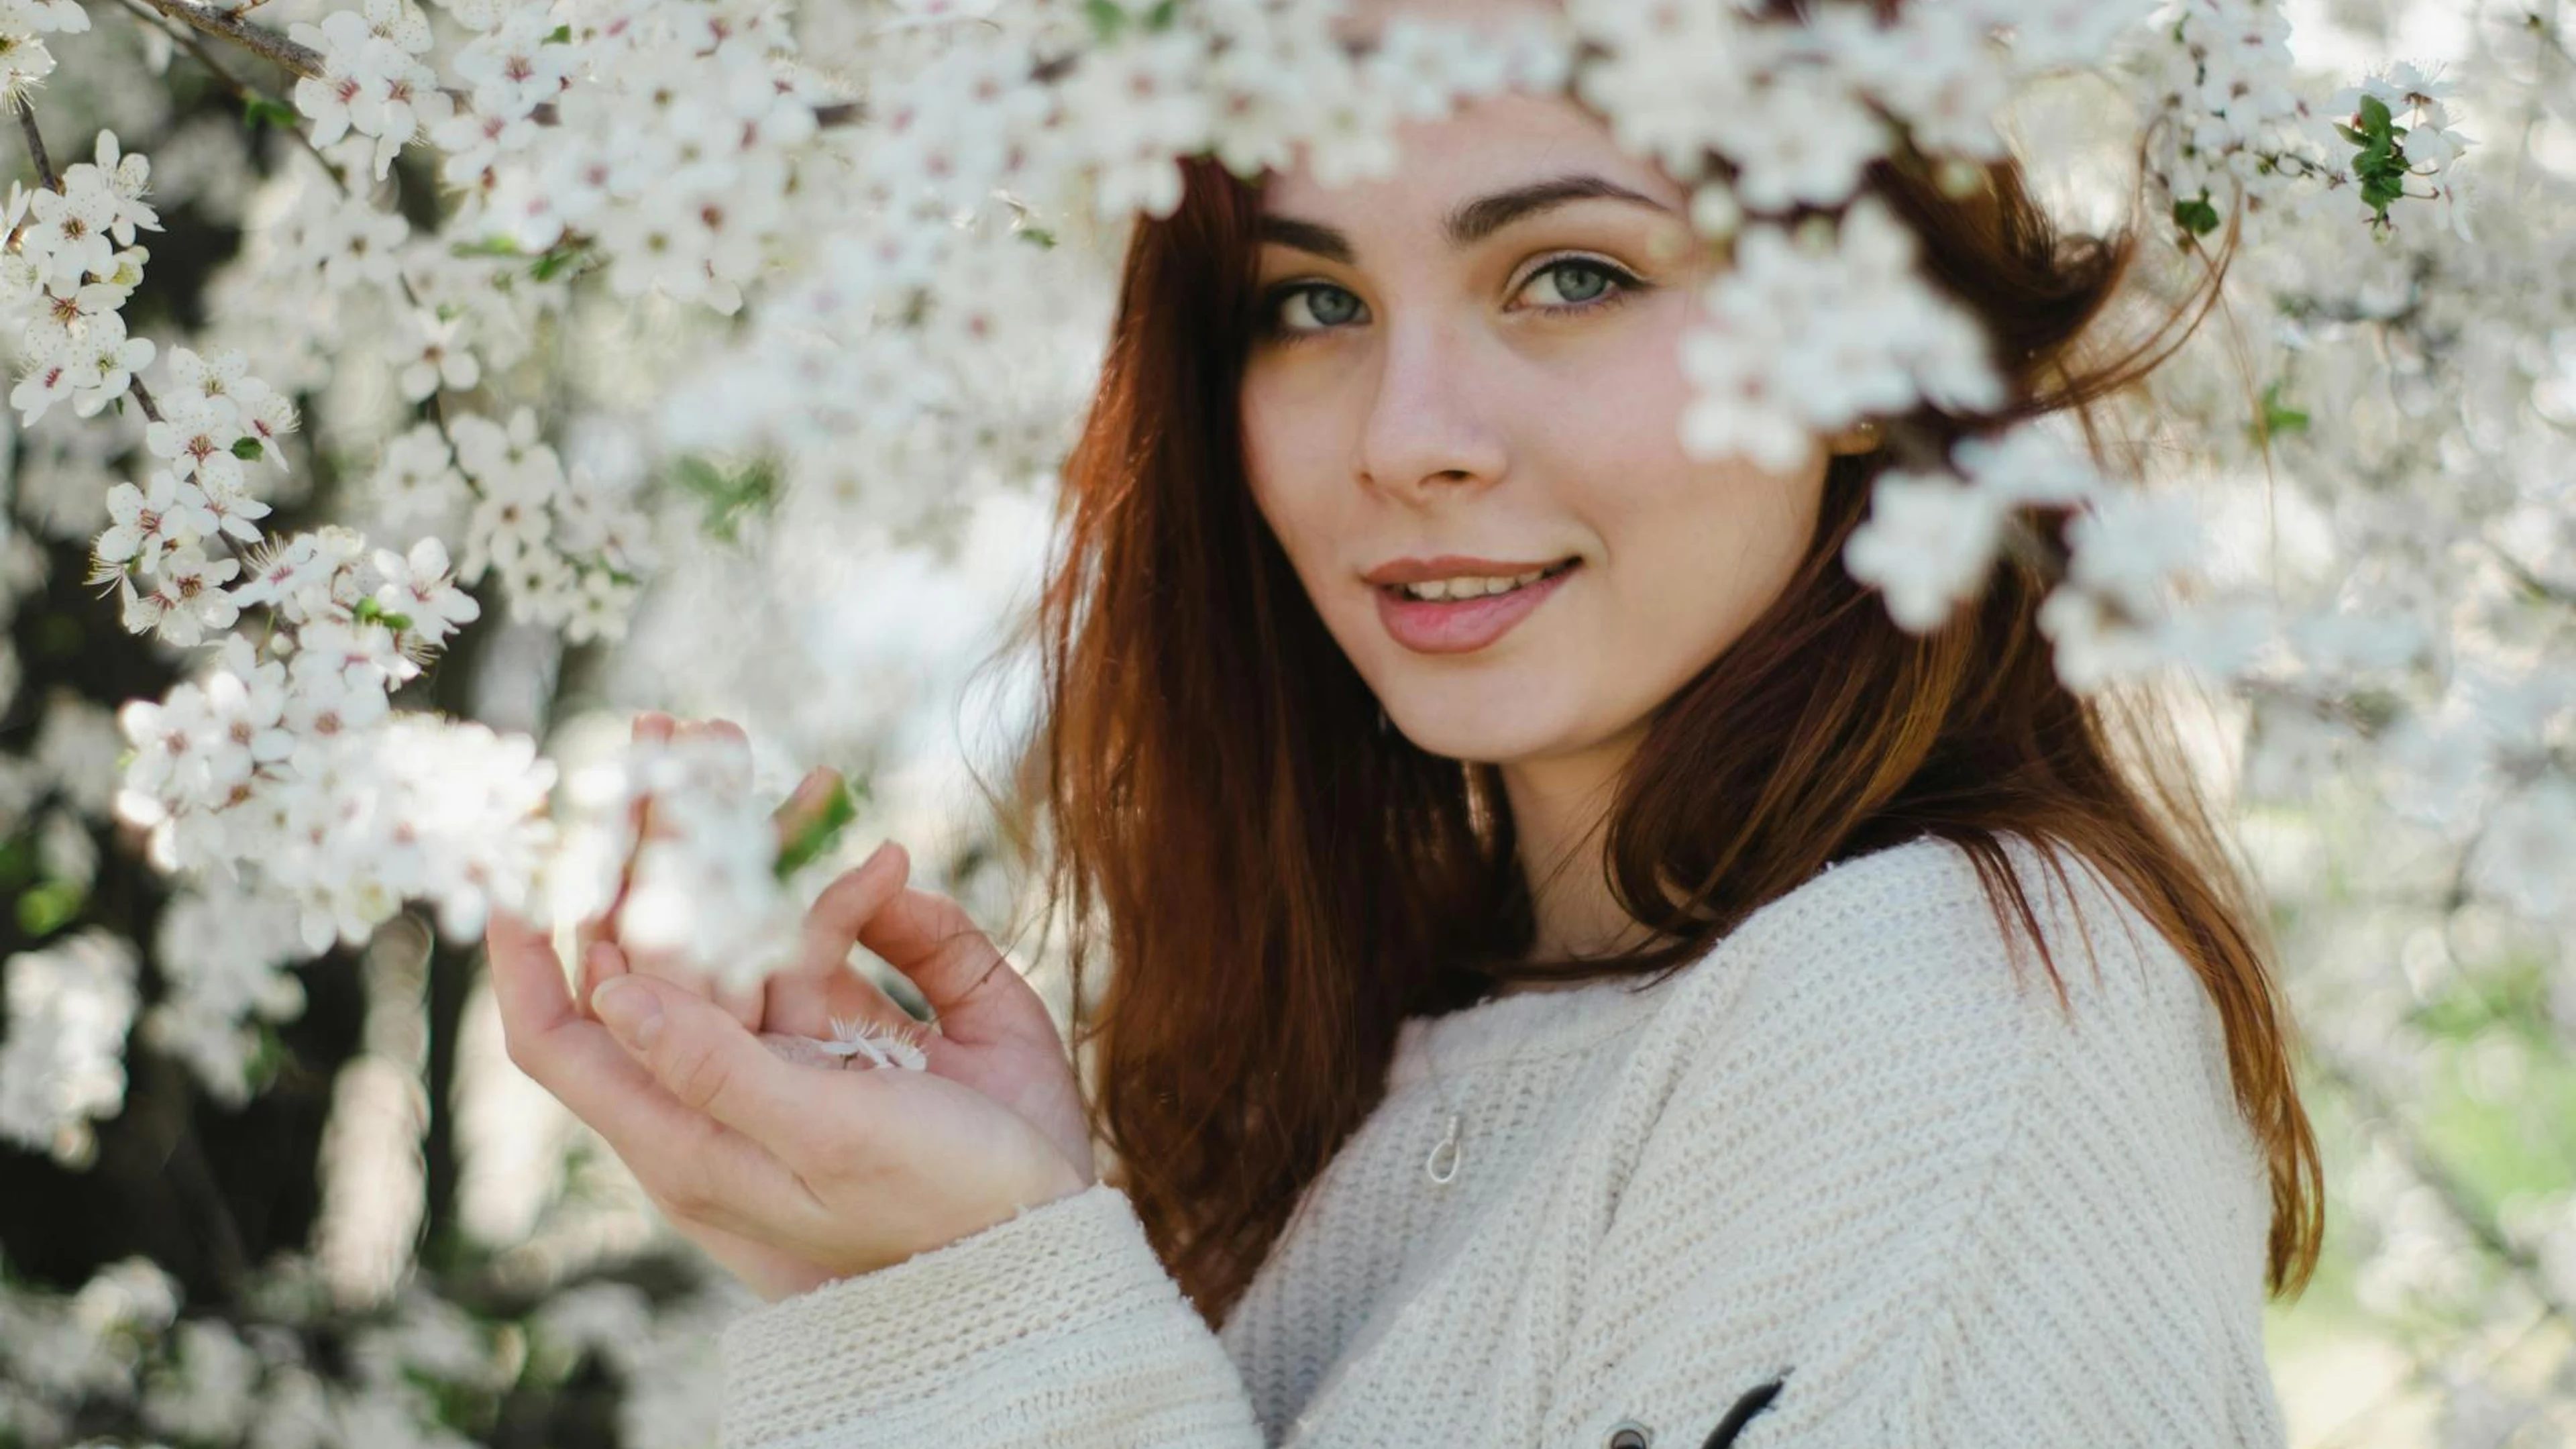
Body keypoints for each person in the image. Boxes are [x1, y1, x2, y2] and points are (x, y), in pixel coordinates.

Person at [486, 1, 2324, 1444]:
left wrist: (997, 1302)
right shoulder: (1376, 1076)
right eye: (1311, 302)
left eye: (1575, 274)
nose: (1403, 432)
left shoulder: (1940, 1000)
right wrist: (906, 1277)